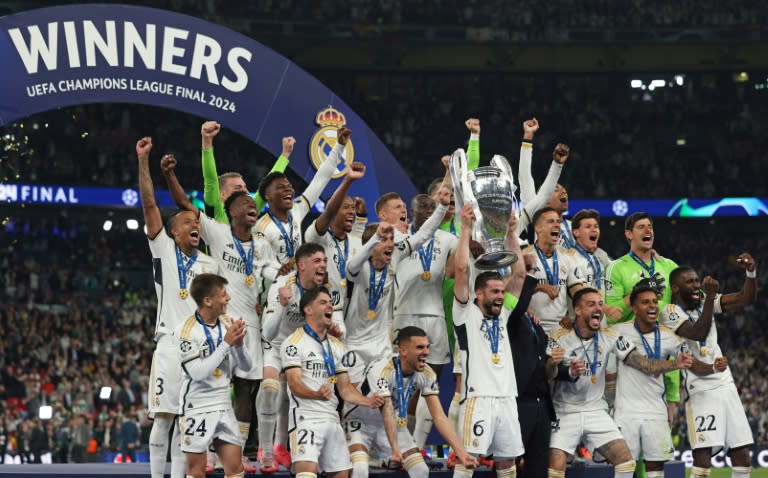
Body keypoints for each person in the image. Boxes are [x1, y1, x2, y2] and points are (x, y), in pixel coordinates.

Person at [162, 156, 281, 472]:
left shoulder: (264, 243)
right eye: (245, 204)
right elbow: (184, 202)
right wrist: (170, 173)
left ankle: (237, 451)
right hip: (218, 321)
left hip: (250, 325)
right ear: (232, 211)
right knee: (210, 385)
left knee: (246, 388)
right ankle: (205, 450)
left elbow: (268, 277)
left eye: (253, 205)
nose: (252, 207)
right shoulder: (217, 232)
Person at [136, 136, 221, 478]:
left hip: (199, 350)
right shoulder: (163, 249)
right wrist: (144, 160)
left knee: (188, 425)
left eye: (196, 222)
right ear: (172, 231)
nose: (194, 225)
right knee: (164, 419)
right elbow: (149, 205)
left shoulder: (210, 266)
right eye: (187, 222)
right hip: (170, 344)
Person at [546, 288, 693, 478]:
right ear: (578, 310)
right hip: (565, 410)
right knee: (556, 464)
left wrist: (675, 363)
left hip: (596, 411)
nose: (598, 308)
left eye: (600, 304)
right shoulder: (559, 336)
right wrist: (552, 363)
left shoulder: (611, 337)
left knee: (626, 461)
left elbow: (644, 364)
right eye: (591, 304)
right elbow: (546, 374)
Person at [659, 254, 757, 478]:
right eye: (690, 282)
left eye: (697, 280)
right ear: (675, 287)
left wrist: (750, 273)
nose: (696, 285)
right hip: (700, 389)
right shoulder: (669, 312)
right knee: (702, 456)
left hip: (726, 384)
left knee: (741, 453)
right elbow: (698, 333)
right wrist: (711, 296)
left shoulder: (704, 300)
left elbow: (744, 299)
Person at [451, 204, 527, 478]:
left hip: (507, 396)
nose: (499, 296)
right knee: (468, 460)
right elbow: (461, 270)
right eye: (494, 291)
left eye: (500, 291)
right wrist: (466, 229)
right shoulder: (464, 313)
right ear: (478, 294)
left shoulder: (504, 314)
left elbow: (518, 275)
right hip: (478, 398)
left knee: (508, 464)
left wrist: (512, 234)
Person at [344, 326, 478, 478]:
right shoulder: (382, 370)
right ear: (403, 351)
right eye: (420, 347)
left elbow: (439, 417)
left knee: (421, 471)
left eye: (427, 347)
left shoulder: (427, 374)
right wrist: (395, 450)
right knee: (360, 469)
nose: (426, 352)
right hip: (360, 423)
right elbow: (386, 409)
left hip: (391, 425)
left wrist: (461, 453)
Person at [257, 243, 345, 472]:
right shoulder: (282, 285)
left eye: (325, 261)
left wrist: (338, 331)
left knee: (291, 398)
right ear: (301, 265)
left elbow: (340, 324)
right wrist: (282, 305)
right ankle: (266, 451)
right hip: (277, 345)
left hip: (305, 346)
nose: (323, 265)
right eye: (317, 261)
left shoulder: (328, 288)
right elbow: (268, 332)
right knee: (269, 388)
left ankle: (282, 447)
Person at [281, 286, 384, 478]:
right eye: (323, 302)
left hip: (332, 420)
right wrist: (316, 395)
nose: (330, 305)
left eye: (330, 302)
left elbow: (345, 389)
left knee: (341, 475)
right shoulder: (293, 342)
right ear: (308, 310)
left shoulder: (337, 346)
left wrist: (367, 401)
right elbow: (294, 385)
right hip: (306, 419)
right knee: (307, 474)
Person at [344, 188, 450, 366]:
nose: (390, 245)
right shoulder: (358, 263)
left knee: (385, 391)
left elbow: (423, 235)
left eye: (391, 240)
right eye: (384, 241)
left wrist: (443, 207)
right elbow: (353, 265)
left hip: (381, 341)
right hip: (354, 340)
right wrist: (376, 237)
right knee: (350, 392)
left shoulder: (396, 253)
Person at [394, 193, 458, 448]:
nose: (428, 211)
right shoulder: (401, 239)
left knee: (429, 385)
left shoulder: (448, 239)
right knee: (403, 387)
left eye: (432, 208)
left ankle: (417, 447)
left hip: (436, 318)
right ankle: (399, 444)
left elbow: (458, 265)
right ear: (412, 211)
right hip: (405, 316)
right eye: (422, 207)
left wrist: (470, 243)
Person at [176, 273, 252, 478]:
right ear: (207, 301)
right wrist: (226, 343)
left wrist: (239, 346)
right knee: (196, 472)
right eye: (223, 294)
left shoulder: (228, 322)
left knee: (236, 470)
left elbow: (246, 366)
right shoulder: (185, 330)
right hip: (197, 406)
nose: (228, 298)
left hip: (223, 403)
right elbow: (197, 373)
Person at [611, 280, 687, 478]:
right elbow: (645, 365)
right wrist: (675, 364)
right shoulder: (619, 331)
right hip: (626, 410)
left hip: (656, 411)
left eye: (655, 301)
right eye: (645, 302)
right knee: (625, 466)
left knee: (655, 469)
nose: (652, 305)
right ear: (634, 308)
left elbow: (692, 358)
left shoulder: (669, 336)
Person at [255, 128, 349, 265]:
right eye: (281, 187)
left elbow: (320, 180)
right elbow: (259, 269)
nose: (288, 190)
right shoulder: (260, 229)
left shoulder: (297, 209)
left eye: (289, 187)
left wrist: (339, 146)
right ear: (268, 196)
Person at [508, 253, 560, 478]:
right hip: (521, 403)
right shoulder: (509, 319)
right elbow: (518, 304)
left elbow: (542, 364)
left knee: (538, 469)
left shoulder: (535, 325)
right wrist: (527, 274)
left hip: (542, 406)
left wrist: (567, 371)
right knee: (511, 466)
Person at [199, 120, 295, 222]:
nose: (245, 191)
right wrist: (207, 140)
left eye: (245, 187)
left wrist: (285, 154)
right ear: (222, 195)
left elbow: (268, 184)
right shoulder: (216, 212)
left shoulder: (250, 210)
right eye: (238, 188)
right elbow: (210, 179)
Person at [303, 160, 368, 305]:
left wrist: (362, 216)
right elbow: (328, 213)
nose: (352, 211)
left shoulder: (355, 240)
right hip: (323, 311)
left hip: (352, 314)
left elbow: (358, 230)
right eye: (346, 207)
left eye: (352, 208)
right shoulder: (317, 239)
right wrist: (348, 180)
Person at [522, 207, 584, 334]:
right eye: (551, 221)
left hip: (560, 328)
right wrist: (539, 287)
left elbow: (578, 292)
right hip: (530, 325)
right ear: (538, 228)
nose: (557, 224)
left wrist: (575, 317)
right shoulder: (524, 256)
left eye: (558, 221)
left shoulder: (568, 257)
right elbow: (513, 293)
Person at [569, 209, 620, 321]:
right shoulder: (569, 258)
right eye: (588, 226)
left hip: (602, 322)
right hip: (580, 323)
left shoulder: (601, 254)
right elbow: (579, 293)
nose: (594, 229)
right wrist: (606, 308)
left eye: (596, 226)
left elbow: (619, 269)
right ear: (576, 232)